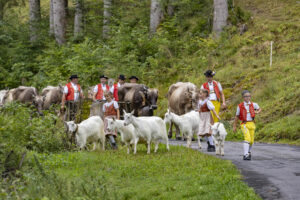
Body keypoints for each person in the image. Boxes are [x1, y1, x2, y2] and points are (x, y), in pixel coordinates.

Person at [233, 90, 261, 160]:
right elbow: (237, 116)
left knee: (251, 141)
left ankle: (248, 151)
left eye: (249, 96)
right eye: (246, 96)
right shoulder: (240, 106)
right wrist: (234, 126)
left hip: (252, 123)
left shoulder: (254, 104)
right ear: (243, 97)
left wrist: (257, 111)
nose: (248, 98)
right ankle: (245, 154)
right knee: (247, 138)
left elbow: (259, 109)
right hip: (244, 124)